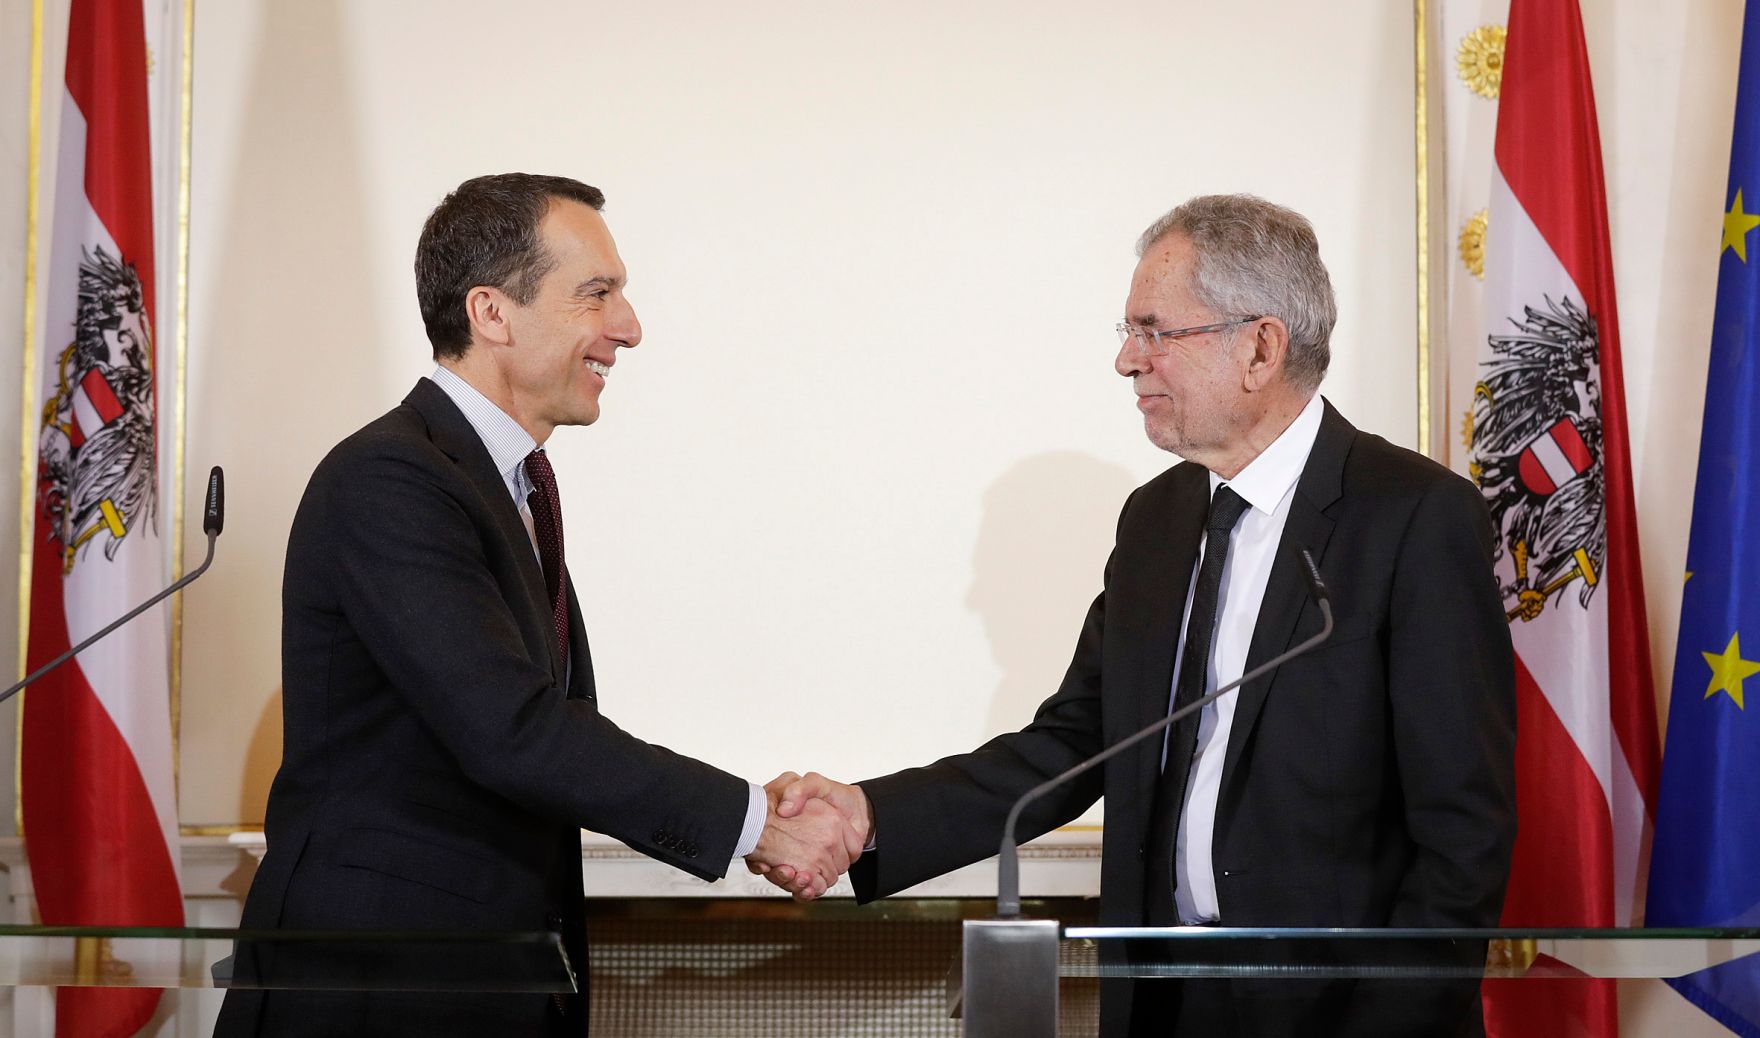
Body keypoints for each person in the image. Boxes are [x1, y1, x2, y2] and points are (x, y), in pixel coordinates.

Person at [769, 194, 1517, 1036]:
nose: (1128, 360)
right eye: (1129, 333)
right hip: (1164, 999)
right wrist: (871, 817)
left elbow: (1463, 835)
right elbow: (1074, 742)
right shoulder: (1157, 519)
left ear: (1261, 348)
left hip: (1337, 1015)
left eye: (1156, 331)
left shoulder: (1413, 517)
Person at [215, 173, 859, 1037]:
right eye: (598, 295)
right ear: (491, 312)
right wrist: (753, 824)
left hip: (484, 975)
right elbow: (511, 730)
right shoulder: (392, 478)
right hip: (377, 987)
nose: (628, 327)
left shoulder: (503, 486)